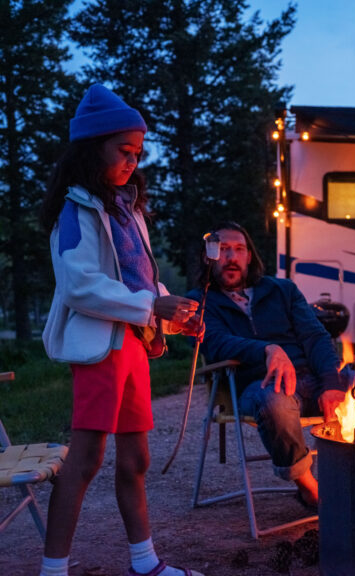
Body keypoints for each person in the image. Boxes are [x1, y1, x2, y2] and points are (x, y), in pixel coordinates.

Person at [39, 84, 204, 576]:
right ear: (93, 149)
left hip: (134, 344)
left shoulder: (128, 209)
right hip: (99, 348)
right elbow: (79, 285)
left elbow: (138, 280)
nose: (133, 161)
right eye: (123, 150)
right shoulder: (76, 211)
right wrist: (153, 303)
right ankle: (52, 570)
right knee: (86, 458)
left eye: (138, 153)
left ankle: (144, 562)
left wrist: (173, 314)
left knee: (136, 460)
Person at [189, 221, 347, 508]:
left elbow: (315, 337)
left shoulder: (282, 290)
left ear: (249, 256)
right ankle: (310, 488)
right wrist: (267, 349)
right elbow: (214, 342)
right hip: (260, 384)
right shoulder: (198, 302)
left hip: (312, 379)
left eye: (239, 249)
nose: (231, 257)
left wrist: (331, 383)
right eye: (223, 249)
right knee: (274, 403)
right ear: (208, 255)